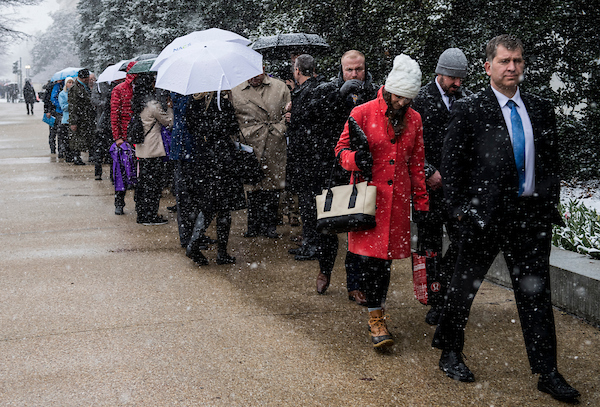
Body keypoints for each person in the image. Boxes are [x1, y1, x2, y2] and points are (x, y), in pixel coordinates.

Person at [432, 34, 580, 403]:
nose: (512, 67)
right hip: (483, 218)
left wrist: (548, 207)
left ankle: (547, 371)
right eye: (504, 61)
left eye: (517, 61)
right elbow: (451, 167)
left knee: (536, 297)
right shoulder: (470, 110)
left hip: (530, 221)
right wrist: (462, 213)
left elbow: (550, 163)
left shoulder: (541, 108)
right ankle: (450, 351)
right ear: (488, 67)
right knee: (462, 289)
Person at [335, 54, 428, 349]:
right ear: (389, 89)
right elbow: (340, 150)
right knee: (367, 261)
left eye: (409, 99)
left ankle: (377, 317)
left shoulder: (414, 119)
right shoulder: (362, 113)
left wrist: (422, 204)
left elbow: (416, 163)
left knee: (383, 265)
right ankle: (374, 311)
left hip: (396, 203)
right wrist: (354, 160)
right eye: (400, 97)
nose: (404, 103)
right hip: (366, 199)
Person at [308, 50, 379, 302]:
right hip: (331, 166)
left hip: (362, 167)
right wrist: (339, 97)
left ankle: (355, 283)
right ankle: (324, 270)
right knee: (328, 224)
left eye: (358, 69)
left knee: (357, 226)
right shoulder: (328, 89)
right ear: (341, 69)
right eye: (349, 70)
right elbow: (313, 118)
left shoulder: (375, 91)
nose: (354, 74)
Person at [412, 48, 472, 325]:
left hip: (458, 190)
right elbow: (408, 145)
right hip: (428, 191)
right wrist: (427, 171)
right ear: (439, 72)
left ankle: (449, 291)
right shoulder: (419, 100)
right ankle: (435, 302)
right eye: (453, 78)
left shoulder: (467, 100)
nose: (457, 84)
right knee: (430, 247)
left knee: (463, 242)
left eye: (461, 79)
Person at [286, 54, 344, 293]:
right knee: (308, 204)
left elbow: (310, 121)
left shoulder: (311, 92)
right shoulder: (312, 90)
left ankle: (311, 244)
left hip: (310, 160)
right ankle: (310, 242)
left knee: (310, 205)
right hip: (311, 158)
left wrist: (292, 116)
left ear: (298, 70)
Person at [184, 91, 246, 266]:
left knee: (208, 203)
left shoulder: (193, 102)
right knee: (224, 206)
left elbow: (190, 127)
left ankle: (195, 241)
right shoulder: (222, 104)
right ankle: (221, 252)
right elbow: (233, 128)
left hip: (202, 157)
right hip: (222, 157)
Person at [231, 70, 291, 238]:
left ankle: (270, 226)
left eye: (258, 72)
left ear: (264, 69)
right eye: (250, 72)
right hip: (250, 143)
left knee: (272, 186)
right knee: (253, 187)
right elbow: (231, 118)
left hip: (274, 142)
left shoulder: (280, 87)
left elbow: (289, 113)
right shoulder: (235, 90)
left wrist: (281, 129)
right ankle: (253, 226)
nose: (254, 76)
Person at [131, 74, 173, 225]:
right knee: (153, 186)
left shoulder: (137, 104)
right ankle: (150, 215)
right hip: (153, 150)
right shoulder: (152, 105)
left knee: (143, 184)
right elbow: (168, 122)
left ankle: (142, 213)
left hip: (142, 150)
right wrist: (169, 108)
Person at [111, 61, 138, 215]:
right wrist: (118, 138)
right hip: (127, 138)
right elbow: (115, 115)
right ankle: (119, 202)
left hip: (136, 136)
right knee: (122, 172)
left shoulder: (141, 88)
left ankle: (130, 202)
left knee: (133, 172)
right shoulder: (120, 89)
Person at [68, 68, 96, 166]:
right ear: (84, 78)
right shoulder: (75, 88)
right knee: (77, 139)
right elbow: (73, 106)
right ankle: (76, 157)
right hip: (80, 117)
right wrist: (73, 122)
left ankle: (90, 156)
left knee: (88, 137)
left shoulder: (85, 86)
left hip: (87, 117)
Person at [58, 77, 76, 162]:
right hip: (66, 120)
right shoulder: (62, 94)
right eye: (69, 82)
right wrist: (71, 104)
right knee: (67, 140)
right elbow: (63, 107)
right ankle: (68, 156)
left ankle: (74, 155)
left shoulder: (76, 92)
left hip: (74, 119)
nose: (71, 84)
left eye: (72, 82)